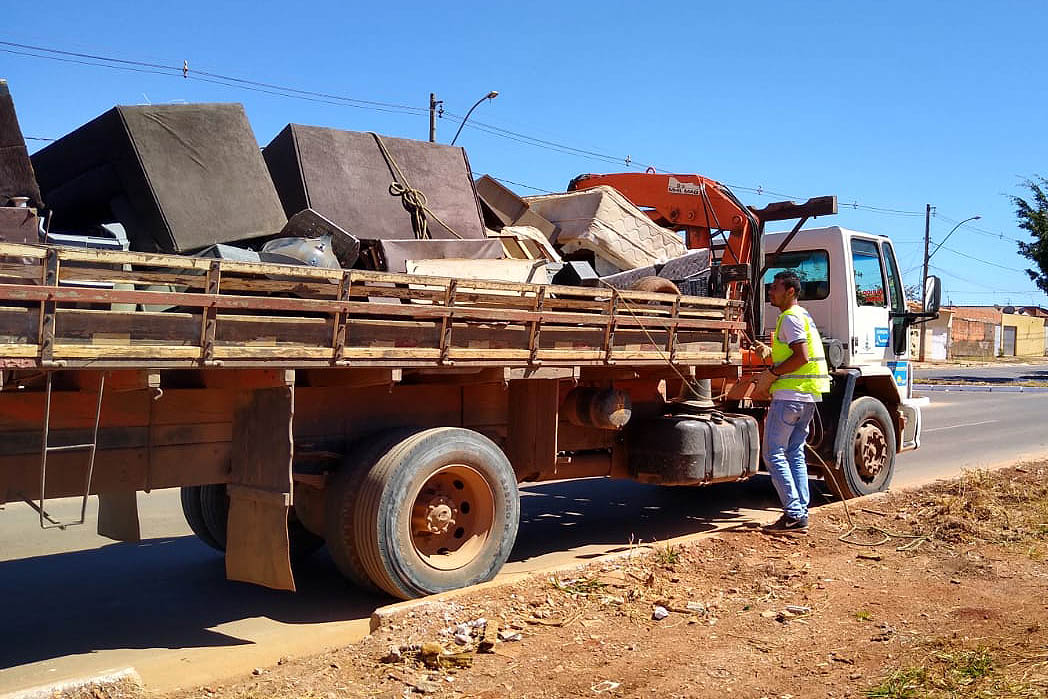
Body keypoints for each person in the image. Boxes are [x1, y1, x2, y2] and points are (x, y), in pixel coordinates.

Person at [754, 270, 830, 534]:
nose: (770, 292)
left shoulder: (790, 318)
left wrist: (771, 374)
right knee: (794, 453)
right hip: (806, 396)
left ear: (790, 292)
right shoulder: (802, 316)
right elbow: (794, 353)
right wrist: (770, 355)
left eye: (775, 287)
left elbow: (801, 357)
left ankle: (794, 514)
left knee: (773, 454)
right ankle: (800, 512)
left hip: (790, 397)